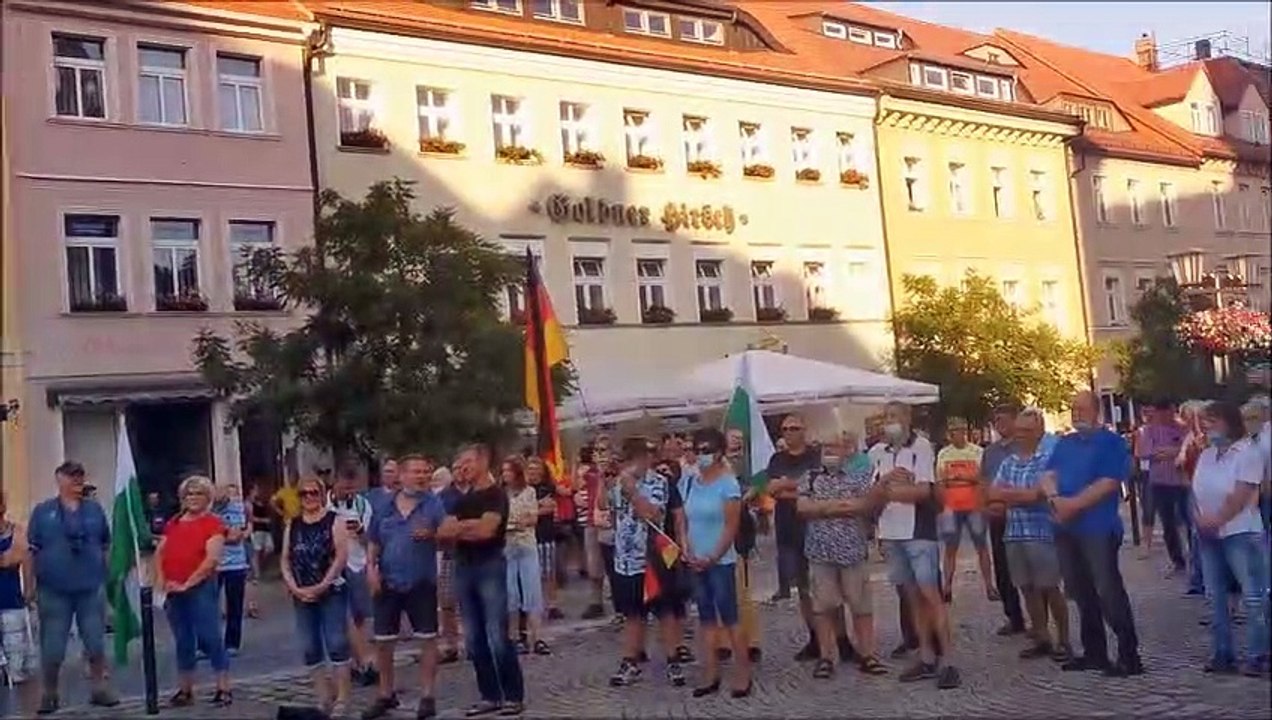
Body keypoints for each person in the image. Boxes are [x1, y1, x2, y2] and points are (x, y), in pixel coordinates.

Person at [1040, 390, 1142, 677]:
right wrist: (1055, 499)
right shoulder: (1066, 442)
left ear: (1097, 411)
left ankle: (1128, 654)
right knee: (1080, 591)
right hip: (1065, 527)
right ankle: (1095, 652)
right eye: (1073, 409)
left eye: (1082, 409)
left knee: (1108, 590)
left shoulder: (1110, 442)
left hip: (1097, 528)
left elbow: (1109, 483)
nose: (1076, 414)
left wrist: (1072, 505)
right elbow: (1048, 474)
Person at [872, 402, 960, 689]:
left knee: (930, 594)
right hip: (891, 531)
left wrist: (890, 491)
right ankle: (925, 655)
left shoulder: (921, 447)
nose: (889, 422)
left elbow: (923, 490)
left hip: (918, 532)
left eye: (894, 416)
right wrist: (890, 488)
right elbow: (871, 494)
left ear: (907, 419)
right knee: (911, 597)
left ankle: (947, 659)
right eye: (886, 417)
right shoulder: (877, 452)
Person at [438, 444, 525, 717]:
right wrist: (467, 528)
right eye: (459, 462)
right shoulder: (460, 499)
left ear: (483, 462)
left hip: (490, 566)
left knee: (497, 633)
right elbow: (442, 533)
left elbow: (487, 531)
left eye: (468, 462)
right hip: (464, 567)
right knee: (474, 638)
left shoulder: (496, 494)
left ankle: (513, 695)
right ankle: (489, 695)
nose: (463, 467)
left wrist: (461, 529)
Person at [27, 461, 118, 714]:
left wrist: (108, 578)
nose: (77, 481)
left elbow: (105, 545)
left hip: (90, 587)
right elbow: (32, 551)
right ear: (59, 479)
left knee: (95, 642)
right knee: (53, 646)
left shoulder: (94, 510)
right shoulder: (43, 512)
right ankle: (50, 692)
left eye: (80, 476)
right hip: (53, 589)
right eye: (71, 477)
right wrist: (29, 586)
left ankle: (100, 689)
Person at [797, 431, 887, 680]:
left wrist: (824, 508)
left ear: (847, 451)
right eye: (826, 447)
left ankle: (868, 654)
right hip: (819, 552)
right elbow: (803, 508)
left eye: (835, 447)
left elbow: (866, 505)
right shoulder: (810, 477)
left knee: (861, 606)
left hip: (852, 552)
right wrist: (841, 507)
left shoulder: (859, 477)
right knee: (824, 607)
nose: (829, 452)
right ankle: (826, 657)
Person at [363, 455, 447, 720]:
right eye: (416, 472)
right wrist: (370, 569)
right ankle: (386, 694)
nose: (421, 476)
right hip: (388, 580)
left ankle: (427, 695)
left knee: (427, 639)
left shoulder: (433, 504)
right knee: (384, 642)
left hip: (421, 581)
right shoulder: (385, 505)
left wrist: (433, 535)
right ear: (401, 475)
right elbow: (374, 541)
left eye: (425, 472)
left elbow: (448, 534)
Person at [765, 413, 854, 663]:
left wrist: (787, 486)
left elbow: (821, 489)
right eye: (785, 429)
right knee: (803, 590)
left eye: (794, 428)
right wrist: (798, 488)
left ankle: (841, 638)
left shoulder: (816, 457)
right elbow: (771, 490)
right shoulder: (777, 458)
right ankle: (815, 638)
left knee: (828, 589)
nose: (789, 432)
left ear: (804, 431)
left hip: (818, 529)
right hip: (788, 531)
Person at [986, 408, 1072, 662]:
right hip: (1014, 532)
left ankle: (1064, 639)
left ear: (1039, 432)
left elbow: (1036, 495)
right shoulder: (1008, 462)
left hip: (1041, 532)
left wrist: (1011, 495)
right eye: (1019, 430)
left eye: (1027, 431)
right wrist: (1020, 495)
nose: (1020, 435)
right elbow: (992, 494)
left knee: (1049, 587)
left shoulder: (1047, 460)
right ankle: (1042, 636)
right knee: (1027, 588)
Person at [1191, 401, 1269, 677]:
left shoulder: (1248, 452)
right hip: (1209, 534)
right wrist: (1200, 518)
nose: (1206, 426)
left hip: (1241, 532)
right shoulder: (1207, 455)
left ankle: (1260, 654)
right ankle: (1223, 653)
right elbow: (1197, 488)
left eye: (1212, 419)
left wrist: (1217, 519)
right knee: (1215, 595)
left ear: (1228, 421)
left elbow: (1242, 494)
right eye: (1204, 421)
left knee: (1253, 594)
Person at [603, 438, 687, 688]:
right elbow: (603, 509)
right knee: (632, 613)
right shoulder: (618, 483)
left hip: (655, 560)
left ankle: (673, 659)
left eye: (633, 460)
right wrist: (604, 481)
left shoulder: (660, 483)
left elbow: (653, 514)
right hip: (626, 559)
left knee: (665, 611)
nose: (629, 466)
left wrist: (633, 491)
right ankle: (630, 661)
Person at [677, 428, 752, 699]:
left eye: (706, 450)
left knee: (730, 617)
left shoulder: (728, 484)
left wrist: (713, 557)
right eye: (697, 450)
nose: (701, 455)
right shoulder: (689, 481)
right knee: (706, 618)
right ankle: (710, 673)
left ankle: (742, 673)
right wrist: (686, 549)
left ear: (720, 452)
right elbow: (682, 520)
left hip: (720, 560)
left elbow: (731, 526)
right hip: (695, 559)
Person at [156, 475, 232, 707]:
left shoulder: (213, 523)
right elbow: (160, 553)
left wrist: (188, 583)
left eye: (198, 493)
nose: (193, 498)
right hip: (173, 590)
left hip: (200, 587)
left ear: (207, 498)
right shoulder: (174, 523)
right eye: (189, 494)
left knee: (210, 637)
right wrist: (162, 581)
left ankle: (224, 687)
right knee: (183, 639)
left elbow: (211, 559)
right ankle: (185, 689)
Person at [282, 475, 352, 717]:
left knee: (336, 642)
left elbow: (341, 556)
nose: (309, 498)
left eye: (314, 493)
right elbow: (285, 559)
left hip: (331, 589)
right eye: (304, 493)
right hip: (301, 591)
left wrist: (323, 584)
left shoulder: (335, 520)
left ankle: (343, 695)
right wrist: (294, 587)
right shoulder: (293, 524)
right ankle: (323, 696)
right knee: (310, 646)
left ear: (322, 495)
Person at [328, 465, 379, 688]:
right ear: (335, 482)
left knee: (358, 617)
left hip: (357, 563)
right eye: (344, 487)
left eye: (352, 488)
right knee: (344, 616)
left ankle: (355, 662)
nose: (348, 492)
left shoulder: (362, 505)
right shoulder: (324, 504)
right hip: (334, 566)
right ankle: (364, 662)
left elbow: (371, 540)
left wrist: (359, 531)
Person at [980, 405, 1027, 637]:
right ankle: (1013, 616)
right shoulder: (990, 452)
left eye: (1003, 420)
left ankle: (1040, 620)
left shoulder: (1023, 447)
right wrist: (986, 504)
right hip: (997, 515)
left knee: (1027, 567)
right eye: (996, 421)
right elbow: (984, 481)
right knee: (1003, 567)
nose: (1000, 425)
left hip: (1021, 513)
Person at [936, 418, 994, 603]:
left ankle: (989, 585)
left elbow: (981, 477)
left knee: (981, 546)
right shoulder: (944, 453)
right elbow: (941, 478)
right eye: (953, 431)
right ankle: (947, 586)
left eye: (961, 431)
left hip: (974, 505)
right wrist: (966, 477)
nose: (957, 434)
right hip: (951, 505)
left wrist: (958, 477)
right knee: (950, 548)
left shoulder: (977, 452)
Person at [502, 457, 549, 656]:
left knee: (532, 591)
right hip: (507, 547)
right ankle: (515, 636)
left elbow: (532, 518)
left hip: (526, 545)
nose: (505, 475)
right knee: (511, 593)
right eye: (503, 471)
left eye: (509, 471)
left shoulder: (529, 492)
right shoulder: (500, 494)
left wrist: (520, 522)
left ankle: (537, 637)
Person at [1136, 400, 1189, 576]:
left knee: (1188, 520)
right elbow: (1146, 453)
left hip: (1182, 481)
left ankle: (1194, 557)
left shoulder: (1182, 428)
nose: (1167, 417)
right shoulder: (1149, 431)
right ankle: (1177, 560)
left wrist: (1171, 451)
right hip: (1160, 482)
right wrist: (1173, 451)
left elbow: (1187, 448)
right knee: (1168, 523)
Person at [435, 459, 469, 665]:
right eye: (455, 469)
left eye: (462, 468)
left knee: (473, 602)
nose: (460, 472)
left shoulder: (478, 494)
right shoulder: (444, 497)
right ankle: (451, 644)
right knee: (447, 602)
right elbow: (441, 525)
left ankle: (475, 642)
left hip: (475, 553)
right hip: (450, 553)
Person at [0, 491, 35, 684]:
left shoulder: (17, 532)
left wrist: (29, 591)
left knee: (17, 667)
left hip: (12, 601)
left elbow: (21, 558)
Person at [213, 482, 251, 656]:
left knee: (234, 606)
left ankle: (232, 644)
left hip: (235, 564)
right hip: (212, 564)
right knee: (207, 606)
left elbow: (236, 536)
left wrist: (217, 535)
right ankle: (208, 643)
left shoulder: (236, 509)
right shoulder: (207, 511)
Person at [526, 458, 564, 622]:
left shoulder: (548, 487)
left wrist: (532, 510)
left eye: (536, 469)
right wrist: (537, 506)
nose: (533, 472)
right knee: (533, 573)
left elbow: (550, 507)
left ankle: (552, 604)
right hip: (528, 536)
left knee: (548, 572)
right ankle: (535, 604)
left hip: (545, 534)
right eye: (530, 469)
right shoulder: (524, 490)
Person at [574, 446, 606, 620]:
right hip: (592, 521)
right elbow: (575, 486)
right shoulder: (588, 473)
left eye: (602, 451)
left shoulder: (616, 472)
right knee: (594, 564)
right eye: (597, 452)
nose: (599, 456)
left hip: (611, 522)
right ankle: (596, 601)